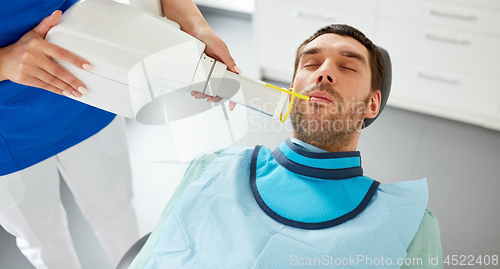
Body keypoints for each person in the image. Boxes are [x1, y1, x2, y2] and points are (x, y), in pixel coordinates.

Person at [0, 0, 240, 268]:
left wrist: (196, 27)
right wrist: (5, 62)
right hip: (6, 123)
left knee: (115, 212)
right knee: (44, 242)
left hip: (87, 79)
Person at [128, 24, 443, 269]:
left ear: (372, 104)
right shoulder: (210, 166)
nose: (323, 73)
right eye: (311, 64)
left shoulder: (410, 226)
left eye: (347, 67)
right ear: (291, 90)